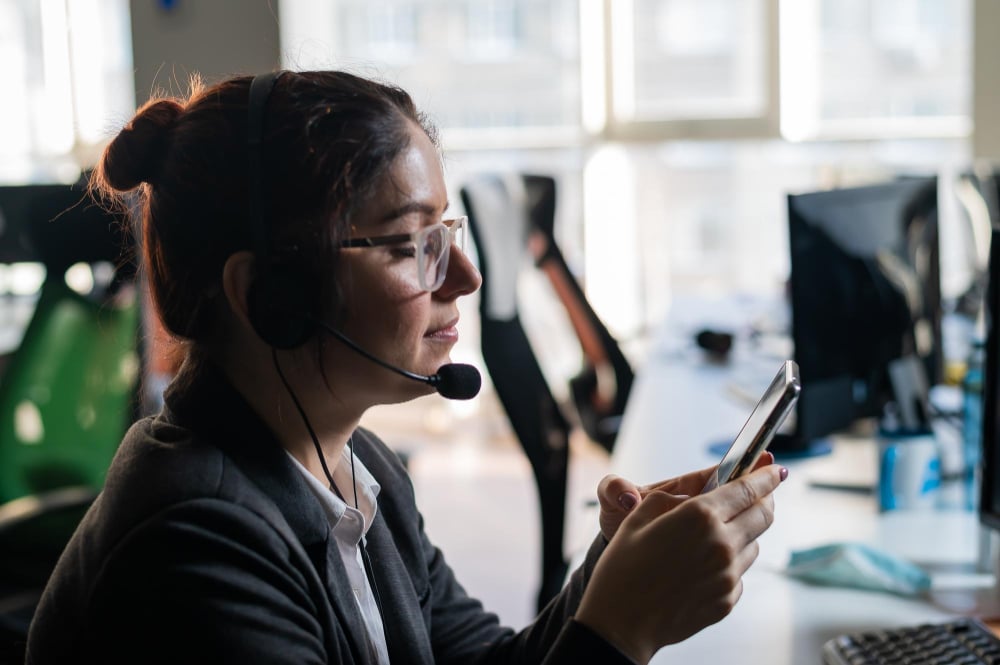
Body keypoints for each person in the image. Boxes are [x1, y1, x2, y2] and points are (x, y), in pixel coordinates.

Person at [25, 69, 786, 665]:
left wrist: (612, 572)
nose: (465, 275)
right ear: (269, 294)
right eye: (409, 241)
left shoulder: (357, 464)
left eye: (446, 230)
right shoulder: (193, 546)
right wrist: (626, 626)